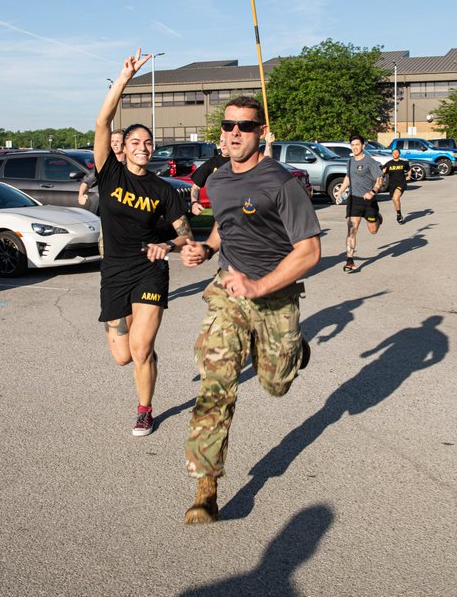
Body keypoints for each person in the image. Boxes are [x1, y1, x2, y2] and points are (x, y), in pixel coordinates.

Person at [179, 95, 321, 524]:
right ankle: (206, 485)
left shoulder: (280, 183)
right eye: (228, 126)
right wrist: (206, 248)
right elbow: (226, 223)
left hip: (275, 296)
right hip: (229, 291)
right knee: (215, 384)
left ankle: (294, 349)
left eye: (244, 126)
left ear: (261, 133)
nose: (234, 132)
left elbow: (310, 250)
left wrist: (259, 284)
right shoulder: (219, 180)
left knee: (276, 385)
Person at [93, 49, 191, 437]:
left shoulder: (163, 190)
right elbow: (102, 120)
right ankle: (143, 357)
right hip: (114, 271)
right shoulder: (109, 175)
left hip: (150, 270)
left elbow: (186, 235)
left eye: (149, 142)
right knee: (121, 356)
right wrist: (125, 78)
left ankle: (145, 409)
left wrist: (168, 246)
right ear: (124, 145)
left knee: (141, 349)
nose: (143, 146)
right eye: (136, 140)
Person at [331, 134, 385, 273]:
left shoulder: (370, 162)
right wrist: (340, 192)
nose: (355, 147)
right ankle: (350, 260)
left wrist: (372, 192)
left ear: (363, 146)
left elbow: (379, 179)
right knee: (351, 230)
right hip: (354, 200)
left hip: (369, 200)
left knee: (373, 230)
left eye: (357, 144)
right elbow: (348, 177)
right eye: (353, 145)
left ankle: (378, 218)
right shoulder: (349, 162)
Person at [78, 130, 123, 207]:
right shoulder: (105, 164)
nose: (114, 144)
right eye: (112, 141)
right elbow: (87, 181)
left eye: (118, 141)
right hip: (112, 207)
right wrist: (81, 195)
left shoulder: (132, 163)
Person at [381, 148, 411, 224]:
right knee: (394, 200)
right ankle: (399, 213)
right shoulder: (389, 164)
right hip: (392, 185)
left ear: (399, 154)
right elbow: (382, 172)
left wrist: (409, 176)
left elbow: (409, 169)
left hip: (401, 183)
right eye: (393, 153)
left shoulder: (403, 163)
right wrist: (383, 172)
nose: (395, 154)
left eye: (396, 153)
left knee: (395, 197)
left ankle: (398, 215)